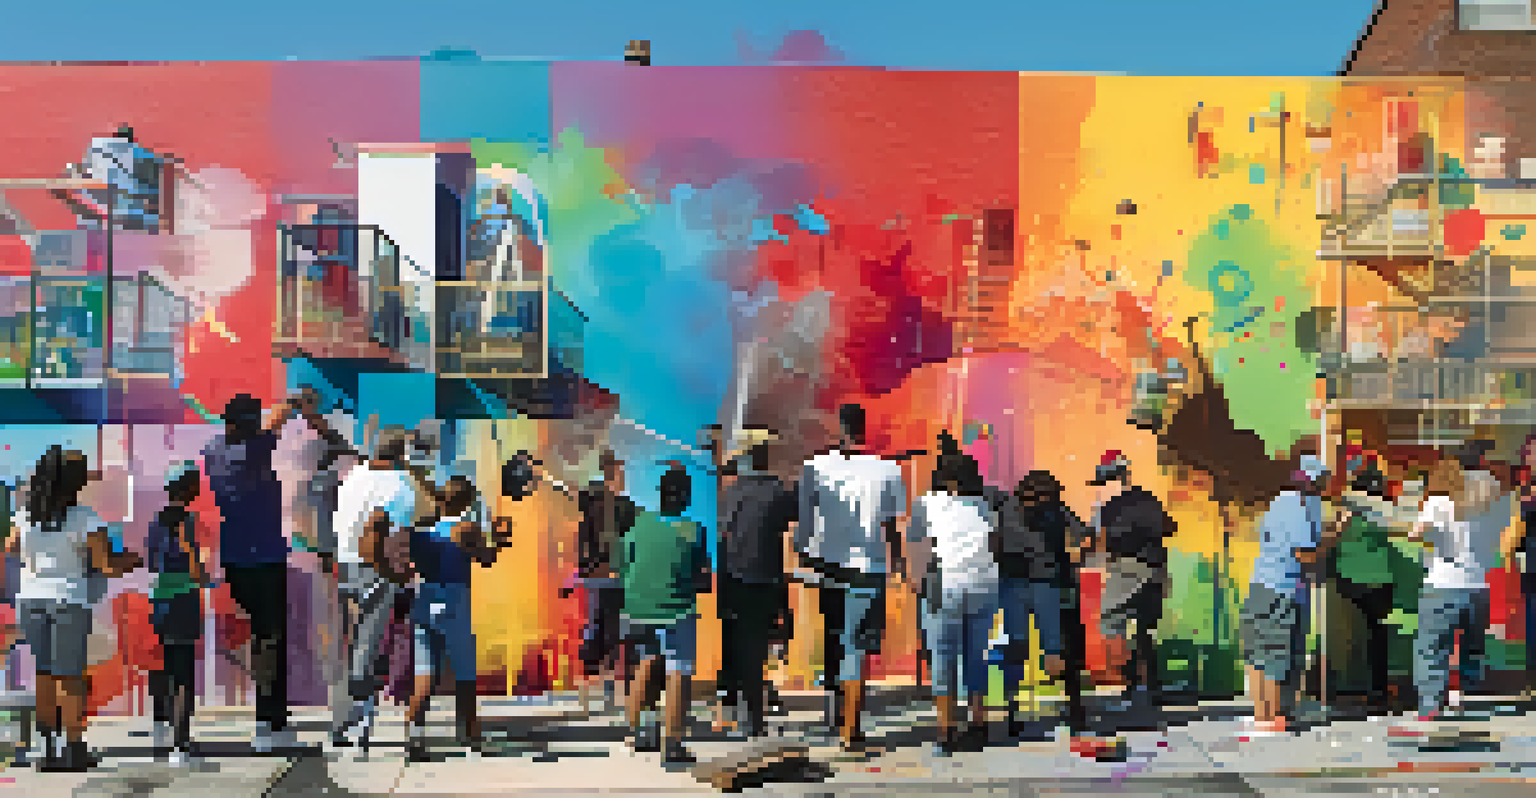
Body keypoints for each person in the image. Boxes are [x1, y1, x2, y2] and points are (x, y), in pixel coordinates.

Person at [6, 447, 141, 771]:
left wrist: (36, 558)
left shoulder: (26, 514)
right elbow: (106, 566)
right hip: (68, 601)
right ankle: (73, 748)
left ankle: (47, 747)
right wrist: (133, 560)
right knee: (69, 676)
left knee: (44, 673)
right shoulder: (85, 517)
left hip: (31, 600)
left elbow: (11, 547)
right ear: (75, 482)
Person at [796, 403, 907, 755]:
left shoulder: (814, 467)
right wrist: (899, 563)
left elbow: (805, 522)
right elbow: (890, 525)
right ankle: (851, 728)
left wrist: (803, 553)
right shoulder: (888, 470)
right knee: (856, 646)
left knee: (834, 637)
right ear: (864, 429)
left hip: (827, 564)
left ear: (837, 427)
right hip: (869, 567)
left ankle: (834, 711)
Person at [406, 475, 508, 762]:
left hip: (426, 598)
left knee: (425, 674)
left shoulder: (422, 531)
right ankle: (469, 734)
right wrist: (499, 541)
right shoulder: (466, 528)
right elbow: (486, 558)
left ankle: (414, 737)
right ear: (466, 501)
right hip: (455, 602)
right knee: (465, 673)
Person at [330, 426, 419, 750]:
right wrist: (395, 572)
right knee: (367, 648)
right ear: (402, 453)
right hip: (376, 568)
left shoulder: (354, 476)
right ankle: (355, 722)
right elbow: (377, 530)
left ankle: (343, 723)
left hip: (347, 567)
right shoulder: (398, 486)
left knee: (353, 647)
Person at [907, 447, 999, 756]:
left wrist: (915, 581)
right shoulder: (986, 506)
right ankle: (978, 725)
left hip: (945, 585)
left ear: (945, 479)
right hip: (985, 585)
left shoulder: (926, 503)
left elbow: (916, 545)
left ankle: (946, 732)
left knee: (943, 660)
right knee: (976, 657)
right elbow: (994, 544)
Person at [617, 464, 711, 764]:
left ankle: (638, 733)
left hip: (636, 609)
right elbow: (703, 578)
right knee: (678, 671)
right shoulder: (694, 530)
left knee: (646, 663)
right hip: (675, 610)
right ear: (684, 496)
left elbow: (624, 566)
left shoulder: (638, 525)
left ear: (659, 495)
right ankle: (673, 742)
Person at [1410, 447, 1509, 721]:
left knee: (1432, 648)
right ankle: (1469, 700)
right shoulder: (1491, 502)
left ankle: (1431, 706)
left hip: (1442, 585)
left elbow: (1417, 533)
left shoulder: (1439, 502)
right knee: (1472, 650)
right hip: (1478, 586)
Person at [995, 469, 1091, 738]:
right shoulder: (1054, 509)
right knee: (1050, 647)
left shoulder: (1007, 507)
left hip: (1020, 584)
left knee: (1023, 648)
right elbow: (1085, 537)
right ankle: (1071, 713)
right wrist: (1076, 558)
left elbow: (1085, 537)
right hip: (1042, 584)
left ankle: (1016, 712)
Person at [716, 430, 797, 740]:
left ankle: (740, 709)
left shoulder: (733, 492)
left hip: (735, 577)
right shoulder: (777, 490)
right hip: (766, 579)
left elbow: (724, 537)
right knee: (758, 647)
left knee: (739, 645)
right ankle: (753, 714)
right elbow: (792, 517)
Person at [1242, 454, 1330, 735]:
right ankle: (1274, 717)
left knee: (1259, 656)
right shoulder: (1298, 507)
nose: (1326, 486)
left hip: (1263, 585)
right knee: (1277, 655)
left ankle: (1262, 716)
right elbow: (1305, 555)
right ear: (1313, 481)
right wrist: (1334, 536)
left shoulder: (1281, 502)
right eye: (1323, 481)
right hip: (1282, 590)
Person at [1087, 450, 1172, 714]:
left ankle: (1125, 686)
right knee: (1146, 630)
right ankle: (1149, 687)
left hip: (1126, 569)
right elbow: (1168, 528)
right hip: (1156, 569)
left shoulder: (1110, 507)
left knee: (1112, 625)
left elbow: (1100, 542)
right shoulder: (1149, 500)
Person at [146, 462, 209, 766]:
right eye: (195, 483)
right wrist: (191, 553)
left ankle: (164, 729)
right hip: (184, 601)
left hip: (159, 601)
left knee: (167, 665)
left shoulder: (155, 521)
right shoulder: (189, 522)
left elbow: (151, 564)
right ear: (187, 488)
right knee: (184, 672)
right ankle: (181, 745)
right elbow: (198, 573)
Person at [572, 450, 639, 711]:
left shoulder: (592, 502)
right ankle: (609, 682)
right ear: (613, 473)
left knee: (600, 624)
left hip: (597, 574)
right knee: (610, 626)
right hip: (613, 574)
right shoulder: (618, 506)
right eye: (620, 472)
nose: (624, 478)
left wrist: (585, 567)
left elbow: (585, 536)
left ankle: (602, 679)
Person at [1332, 460, 1397, 716]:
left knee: (1352, 638)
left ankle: (1348, 685)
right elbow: (1395, 533)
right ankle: (1377, 690)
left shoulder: (1345, 509)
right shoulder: (1382, 511)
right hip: (1377, 581)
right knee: (1378, 638)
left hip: (1346, 581)